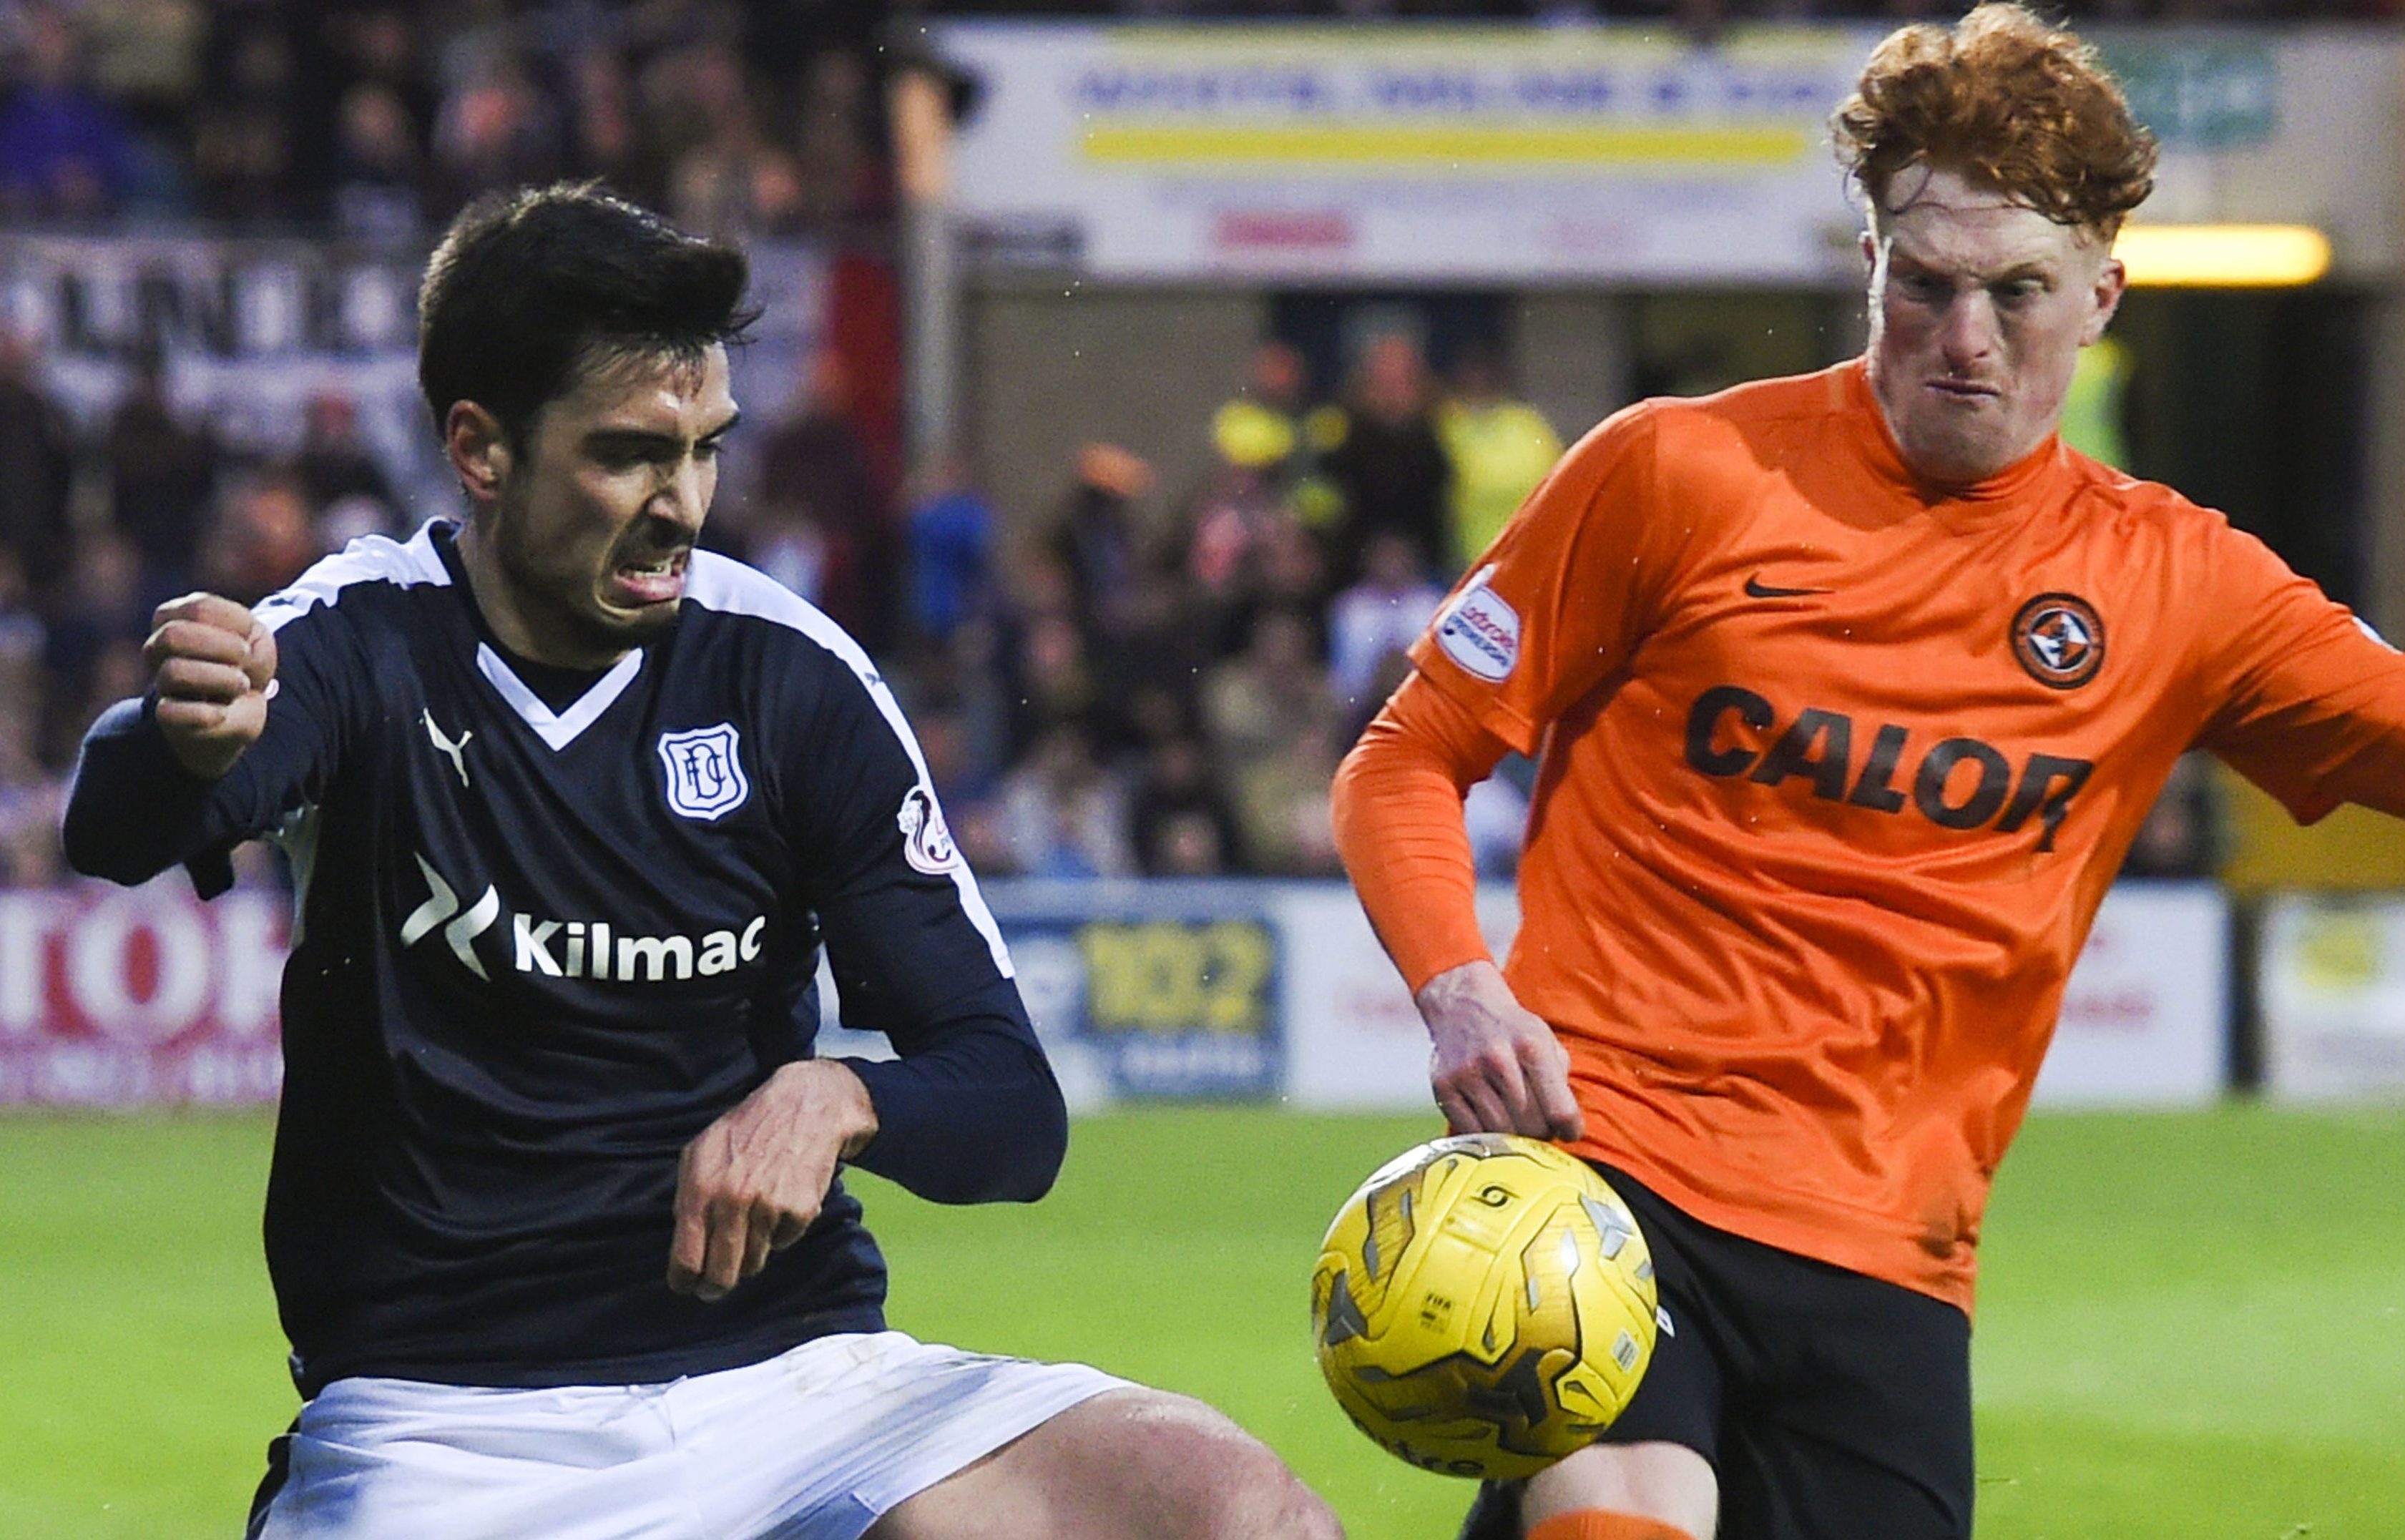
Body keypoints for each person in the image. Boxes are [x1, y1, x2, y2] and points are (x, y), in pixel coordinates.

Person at [62, 183, 1340, 1540]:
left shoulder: (793, 677)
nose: (681, 506)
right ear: (480, 449)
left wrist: (841, 1094)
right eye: (628, 455)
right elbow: (120, 823)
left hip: (801, 1389)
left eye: (705, 450)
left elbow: (1012, 1111)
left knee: (1236, 1512)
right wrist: (187, 744)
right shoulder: (361, 638)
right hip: (445, 1423)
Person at [1331, 9, 2405, 1539]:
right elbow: (1405, 760)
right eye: (1928, 284)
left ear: (2102, 294)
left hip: (1887, 1255)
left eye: (2016, 292)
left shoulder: (2184, 584)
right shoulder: (1674, 474)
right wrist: (1457, 981)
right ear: (1870, 266)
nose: (1966, 337)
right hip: (1611, 1178)